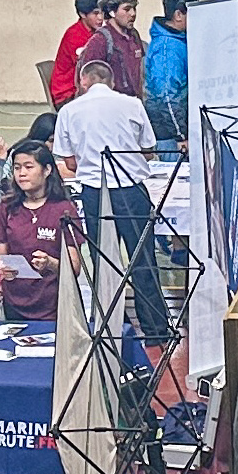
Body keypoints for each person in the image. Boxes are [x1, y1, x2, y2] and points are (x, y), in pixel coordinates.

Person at [49, 58, 170, 343]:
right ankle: (156, 330)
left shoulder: (69, 111)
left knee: (104, 261)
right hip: (131, 189)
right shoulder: (132, 104)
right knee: (143, 259)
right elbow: (148, 149)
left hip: (94, 192)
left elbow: (70, 161)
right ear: (112, 82)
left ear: (83, 82)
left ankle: (110, 327)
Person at [0, 138, 81, 321]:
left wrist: (51, 263)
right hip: (14, 302)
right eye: (17, 167)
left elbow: (75, 268)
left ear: (47, 170)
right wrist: (2, 267)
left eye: (29, 167)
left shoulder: (64, 209)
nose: (21, 173)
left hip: (53, 305)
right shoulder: (6, 206)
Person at [145, 0, 195, 142]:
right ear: (178, 15)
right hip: (170, 135)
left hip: (177, 129)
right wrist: (180, 135)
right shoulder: (167, 48)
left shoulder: (178, 41)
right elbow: (166, 95)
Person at [49, 0, 104, 104]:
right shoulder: (75, 35)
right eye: (95, 13)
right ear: (82, 14)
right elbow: (87, 69)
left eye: (102, 13)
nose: (100, 18)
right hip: (67, 94)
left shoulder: (96, 33)